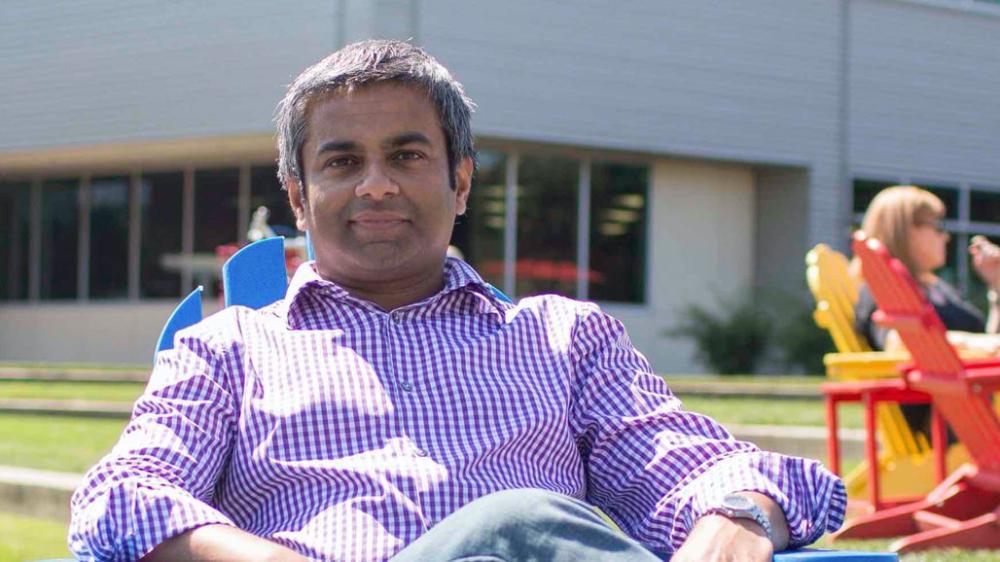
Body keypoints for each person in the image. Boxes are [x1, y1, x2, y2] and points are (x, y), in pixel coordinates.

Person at [69, 40, 845, 562]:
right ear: (299, 199)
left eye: (407, 154)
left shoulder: (563, 342)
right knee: (522, 526)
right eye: (343, 161)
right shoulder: (228, 351)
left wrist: (739, 510)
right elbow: (121, 495)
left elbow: (711, 470)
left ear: (461, 180)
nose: (376, 183)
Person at [853, 184, 1000, 436]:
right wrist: (981, 345)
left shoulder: (936, 289)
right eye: (938, 227)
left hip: (975, 404)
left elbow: (986, 343)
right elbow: (897, 340)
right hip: (942, 419)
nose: (946, 237)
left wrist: (996, 285)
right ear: (905, 230)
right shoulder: (882, 291)